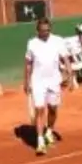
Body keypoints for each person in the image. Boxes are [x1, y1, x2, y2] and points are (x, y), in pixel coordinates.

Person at [23, 16, 72, 156]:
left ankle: (49, 131)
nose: (45, 33)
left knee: (53, 109)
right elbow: (27, 63)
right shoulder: (32, 43)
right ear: (37, 30)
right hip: (37, 82)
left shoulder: (58, 41)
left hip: (54, 81)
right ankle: (40, 142)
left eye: (48, 30)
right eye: (43, 31)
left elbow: (65, 58)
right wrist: (26, 81)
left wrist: (70, 73)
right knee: (39, 110)